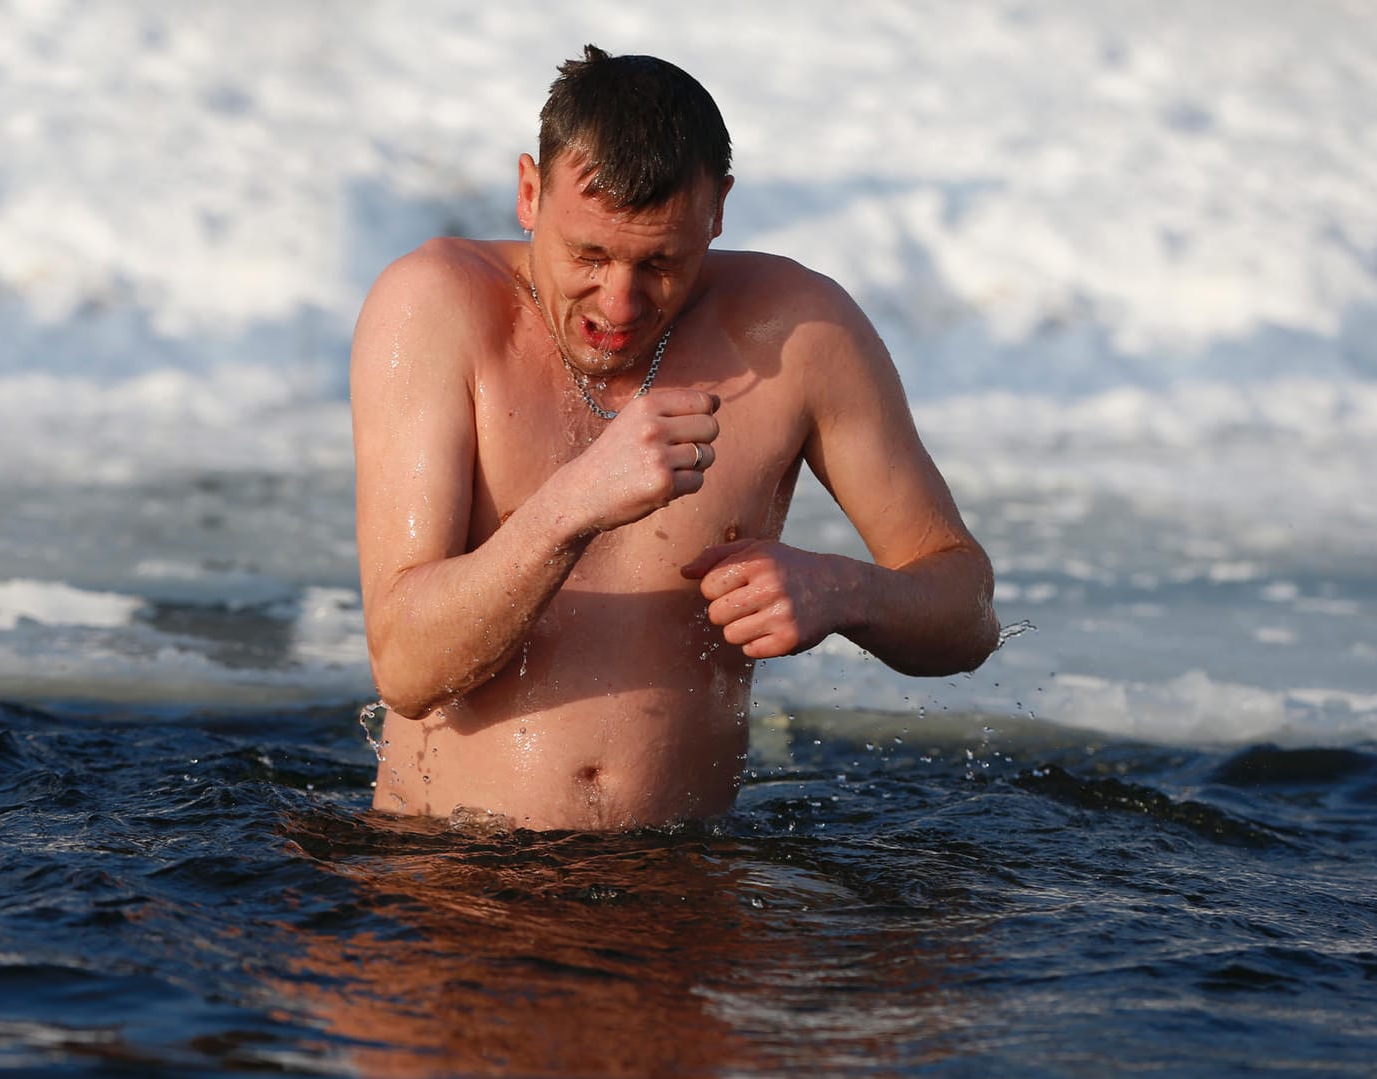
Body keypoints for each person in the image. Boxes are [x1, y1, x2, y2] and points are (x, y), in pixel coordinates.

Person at [351, 45, 997, 830]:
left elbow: (967, 613)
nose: (619, 303)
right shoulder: (435, 309)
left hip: (682, 889)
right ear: (529, 192)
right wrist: (572, 505)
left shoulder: (799, 334)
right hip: (447, 873)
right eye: (589, 254)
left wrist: (848, 592)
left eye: (660, 261)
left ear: (717, 210)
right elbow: (407, 665)